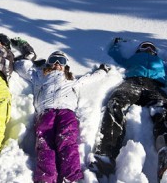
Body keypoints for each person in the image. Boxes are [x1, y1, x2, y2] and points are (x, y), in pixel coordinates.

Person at [89, 39, 167, 179]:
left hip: (154, 86)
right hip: (132, 83)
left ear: (155, 52)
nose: (147, 49)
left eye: (150, 47)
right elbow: (116, 56)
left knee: (165, 110)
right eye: (144, 47)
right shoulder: (133, 59)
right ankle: (105, 156)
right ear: (139, 50)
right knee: (115, 103)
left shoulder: (161, 63)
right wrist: (115, 44)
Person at [15, 50, 110, 183]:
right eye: (53, 60)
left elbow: (89, 78)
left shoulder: (71, 79)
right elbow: (20, 67)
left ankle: (70, 177)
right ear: (48, 63)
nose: (57, 64)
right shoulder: (39, 75)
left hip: (66, 112)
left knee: (67, 141)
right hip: (46, 112)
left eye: (62, 61)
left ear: (66, 65)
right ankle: (46, 178)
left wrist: (102, 71)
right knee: (45, 143)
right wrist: (29, 61)